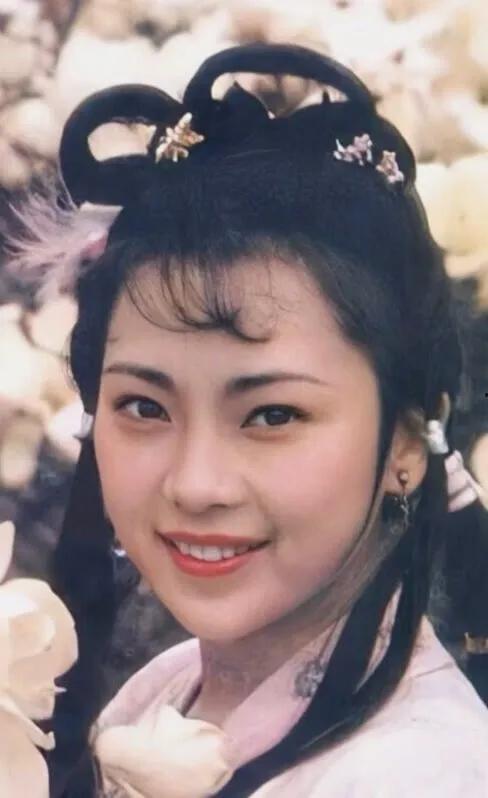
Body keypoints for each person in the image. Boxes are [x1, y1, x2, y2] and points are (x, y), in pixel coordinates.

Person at [4, 42, 488, 798]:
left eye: (272, 414)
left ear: (405, 440)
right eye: (143, 406)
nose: (196, 485)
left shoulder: (422, 775)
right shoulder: (166, 691)